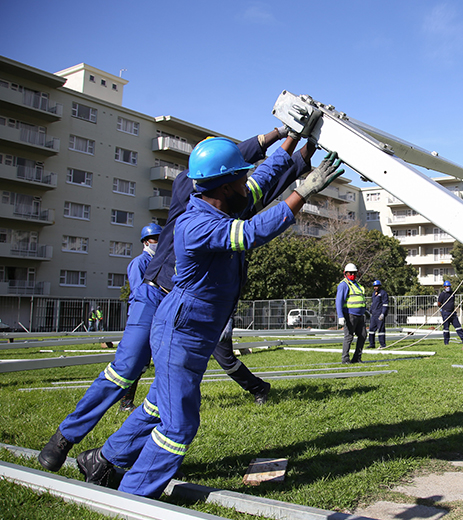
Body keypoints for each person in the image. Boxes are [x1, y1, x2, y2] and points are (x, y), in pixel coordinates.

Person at [73, 138, 344, 498]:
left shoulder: (220, 204)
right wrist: (301, 192)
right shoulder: (196, 223)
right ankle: (133, 496)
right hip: (181, 334)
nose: (247, 184)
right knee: (179, 425)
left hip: (192, 333)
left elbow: (261, 178)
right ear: (226, 185)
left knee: (157, 405)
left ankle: (104, 460)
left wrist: (296, 150)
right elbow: (249, 234)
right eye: (240, 179)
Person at [119, 223, 163, 412]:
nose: (158, 243)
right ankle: (126, 402)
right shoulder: (139, 262)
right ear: (146, 242)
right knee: (138, 361)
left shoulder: (160, 262)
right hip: (142, 316)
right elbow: (139, 292)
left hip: (158, 315)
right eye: (155, 239)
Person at [336, 263, 367, 364]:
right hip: (349, 315)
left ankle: (357, 358)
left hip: (360, 315)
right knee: (349, 337)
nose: (352, 275)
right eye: (350, 273)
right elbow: (339, 301)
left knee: (363, 335)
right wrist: (340, 316)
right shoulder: (344, 285)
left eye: (354, 273)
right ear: (345, 273)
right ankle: (345, 359)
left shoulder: (357, 284)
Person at [436, 280, 463, 345]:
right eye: (447, 286)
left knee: (458, 327)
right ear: (444, 287)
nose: (448, 287)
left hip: (453, 313)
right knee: (446, 329)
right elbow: (439, 303)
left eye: (449, 286)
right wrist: (442, 308)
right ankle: (446, 342)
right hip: (445, 313)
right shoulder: (442, 294)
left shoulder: (452, 293)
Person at [368, 280, 389, 349]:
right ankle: (372, 344)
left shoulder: (383, 293)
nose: (375, 287)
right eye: (374, 286)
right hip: (374, 314)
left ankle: (382, 344)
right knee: (371, 330)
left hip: (380, 314)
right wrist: (370, 311)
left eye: (377, 286)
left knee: (381, 330)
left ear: (379, 286)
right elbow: (373, 303)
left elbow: (385, 304)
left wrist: (383, 314)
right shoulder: (374, 293)